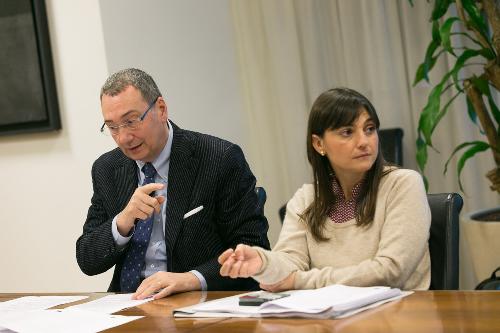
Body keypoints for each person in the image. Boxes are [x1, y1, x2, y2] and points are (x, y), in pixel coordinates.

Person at [76, 68, 270, 299]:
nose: (124, 137)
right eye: (113, 127)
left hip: (194, 304)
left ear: (161, 109)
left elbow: (252, 248)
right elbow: (87, 260)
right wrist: (123, 222)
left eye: (131, 121)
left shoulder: (218, 158)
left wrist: (192, 278)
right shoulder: (107, 169)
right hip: (127, 305)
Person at [218, 87, 431, 291]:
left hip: (401, 315)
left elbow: (391, 271)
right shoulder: (307, 197)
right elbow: (291, 261)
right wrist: (262, 263)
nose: (364, 142)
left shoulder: (403, 184)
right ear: (319, 144)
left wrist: (299, 281)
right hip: (336, 319)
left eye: (370, 129)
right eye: (348, 132)